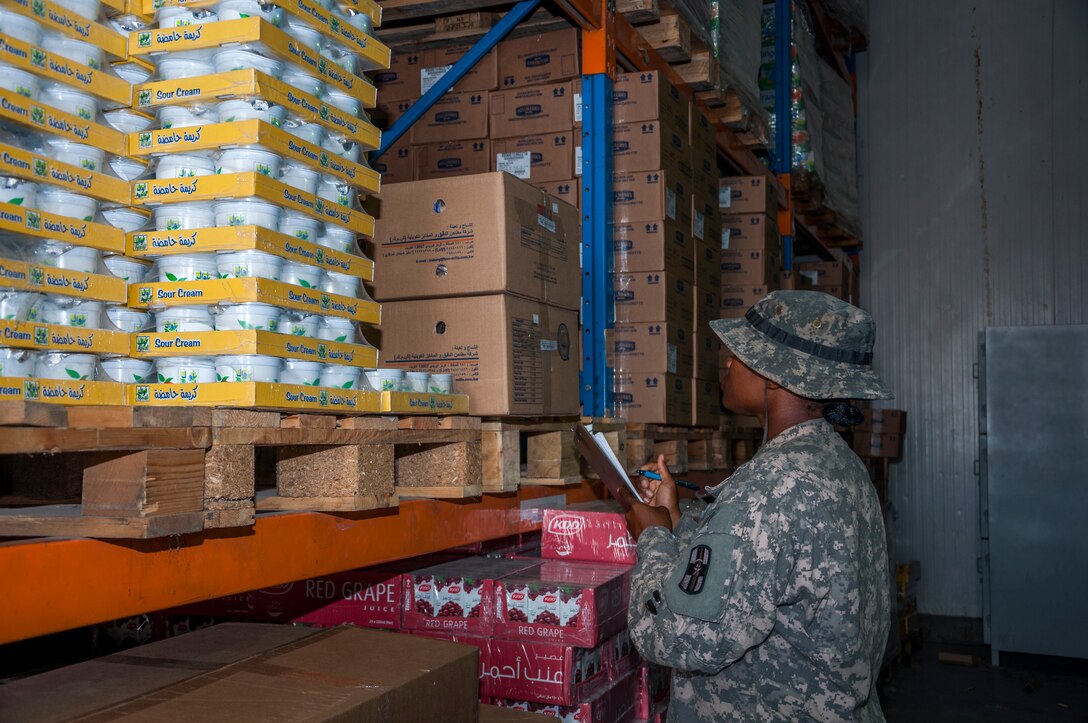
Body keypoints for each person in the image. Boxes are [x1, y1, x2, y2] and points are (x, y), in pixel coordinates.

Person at [624, 290, 892, 722]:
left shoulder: (771, 488)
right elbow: (764, 568)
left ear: (774, 374)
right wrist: (676, 523)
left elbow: (673, 635)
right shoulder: (840, 466)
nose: (727, 364)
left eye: (742, 354)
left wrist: (652, 535)